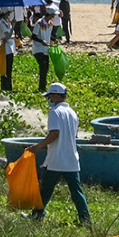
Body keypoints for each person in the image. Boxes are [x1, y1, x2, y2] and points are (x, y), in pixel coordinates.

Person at [27, 83, 90, 224]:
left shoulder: (55, 112)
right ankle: (85, 220)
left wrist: (38, 146)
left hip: (56, 159)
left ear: (56, 96)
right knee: (77, 192)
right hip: (71, 159)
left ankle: (37, 216)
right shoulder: (72, 113)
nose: (49, 99)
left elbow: (54, 134)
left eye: (50, 96)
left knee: (45, 189)